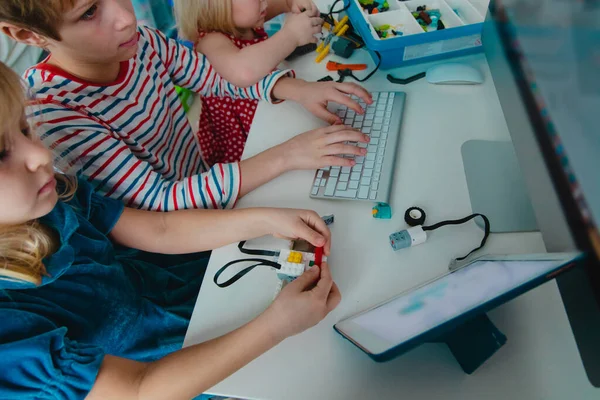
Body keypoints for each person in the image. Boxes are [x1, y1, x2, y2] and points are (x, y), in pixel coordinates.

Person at [0, 61, 341, 399]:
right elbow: (139, 389)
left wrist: (265, 219)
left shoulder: (53, 195)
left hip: (180, 307)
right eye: (2, 153)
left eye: (25, 129)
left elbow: (159, 229)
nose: (40, 155)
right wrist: (275, 326)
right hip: (173, 377)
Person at [0, 0, 372, 211]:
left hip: (207, 196)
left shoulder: (141, 42)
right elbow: (158, 201)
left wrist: (295, 88)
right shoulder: (55, 113)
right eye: (89, 12)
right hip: (172, 249)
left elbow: (214, 77)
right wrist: (286, 155)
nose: (127, 18)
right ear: (28, 35)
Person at [174, 0, 323, 165]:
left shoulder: (246, 16)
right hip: (242, 145)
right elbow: (243, 71)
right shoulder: (210, 40)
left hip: (269, 113)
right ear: (217, 6)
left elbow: (283, 3)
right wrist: (291, 35)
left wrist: (290, 3)